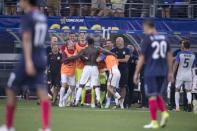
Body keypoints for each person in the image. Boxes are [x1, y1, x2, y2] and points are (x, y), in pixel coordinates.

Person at [0, 0, 50, 131]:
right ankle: (46, 127)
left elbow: (27, 39)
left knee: (10, 88)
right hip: (40, 57)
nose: (19, 2)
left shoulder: (27, 16)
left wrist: (28, 61)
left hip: (29, 58)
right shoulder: (42, 16)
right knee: (42, 92)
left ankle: (9, 126)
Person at [133, 20, 173, 129]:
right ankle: (164, 113)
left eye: (143, 27)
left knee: (152, 96)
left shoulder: (147, 39)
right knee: (156, 94)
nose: (143, 29)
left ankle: (154, 121)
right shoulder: (164, 38)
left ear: (147, 26)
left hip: (151, 71)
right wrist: (170, 71)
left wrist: (136, 73)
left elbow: (141, 58)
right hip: (163, 71)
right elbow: (169, 56)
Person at [97, 40, 122, 109]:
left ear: (112, 44)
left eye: (109, 43)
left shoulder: (111, 52)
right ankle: (116, 104)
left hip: (113, 72)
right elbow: (99, 59)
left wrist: (101, 50)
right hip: (116, 72)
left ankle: (119, 97)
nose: (107, 45)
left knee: (109, 88)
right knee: (112, 89)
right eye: (106, 43)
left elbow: (98, 60)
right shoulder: (109, 53)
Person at [173, 40, 196, 112]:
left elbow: (176, 64)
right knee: (188, 91)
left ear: (184, 45)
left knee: (177, 89)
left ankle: (177, 107)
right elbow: (193, 66)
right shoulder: (193, 55)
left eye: (182, 44)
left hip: (180, 74)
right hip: (189, 74)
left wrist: (172, 73)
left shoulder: (180, 54)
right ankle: (189, 102)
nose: (181, 45)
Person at [111, 37, 130, 109]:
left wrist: (116, 60)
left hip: (124, 70)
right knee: (114, 86)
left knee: (123, 86)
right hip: (115, 70)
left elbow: (126, 60)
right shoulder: (113, 50)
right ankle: (117, 102)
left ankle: (121, 103)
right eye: (116, 41)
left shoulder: (127, 50)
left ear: (122, 42)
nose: (117, 43)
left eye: (118, 41)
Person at [59, 41, 77, 107]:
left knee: (73, 86)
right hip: (64, 70)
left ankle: (65, 98)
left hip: (72, 71)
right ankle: (60, 101)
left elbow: (78, 58)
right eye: (71, 44)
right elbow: (64, 61)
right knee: (64, 84)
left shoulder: (75, 51)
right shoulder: (65, 52)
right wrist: (73, 58)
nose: (72, 45)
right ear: (67, 46)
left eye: (73, 44)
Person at [75, 32, 88, 106]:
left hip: (86, 67)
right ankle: (75, 100)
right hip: (77, 67)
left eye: (83, 35)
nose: (82, 37)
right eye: (81, 35)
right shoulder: (76, 45)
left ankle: (82, 101)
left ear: (85, 36)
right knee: (77, 85)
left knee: (84, 85)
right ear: (79, 37)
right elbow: (75, 54)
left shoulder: (87, 45)